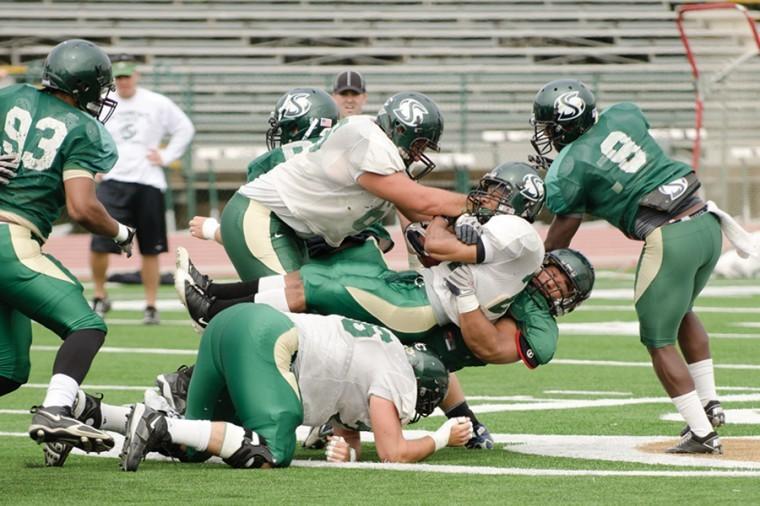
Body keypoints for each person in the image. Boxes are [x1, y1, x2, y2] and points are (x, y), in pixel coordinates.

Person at [532, 78, 758, 454]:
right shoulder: (623, 114)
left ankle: (701, 433)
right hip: (706, 222)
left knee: (657, 339)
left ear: (562, 125)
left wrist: (536, 261)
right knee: (683, 311)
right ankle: (710, 401)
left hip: (669, 238)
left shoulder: (570, 166)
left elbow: (560, 237)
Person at [117, 303, 472, 471]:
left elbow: (346, 428)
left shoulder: (385, 353)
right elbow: (393, 452)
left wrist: (346, 452)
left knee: (194, 447)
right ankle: (161, 422)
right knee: (272, 452)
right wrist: (442, 438)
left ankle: (95, 413)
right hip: (265, 338)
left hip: (234, 325)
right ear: (417, 387)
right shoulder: (397, 375)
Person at [0, 39, 136, 461]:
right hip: (9, 241)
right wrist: (120, 232)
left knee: (7, 369)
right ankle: (58, 411)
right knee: (87, 324)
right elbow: (82, 208)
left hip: (13, 246)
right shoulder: (85, 128)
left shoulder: (9, 97)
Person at [197, 91, 464, 282]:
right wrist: (475, 204)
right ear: (400, 130)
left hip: (302, 233)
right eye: (419, 145)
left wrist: (469, 224)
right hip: (276, 222)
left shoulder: (378, 149)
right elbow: (419, 203)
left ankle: (215, 304)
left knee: (308, 316)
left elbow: (418, 209)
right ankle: (215, 306)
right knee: (291, 308)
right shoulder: (367, 138)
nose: (419, 155)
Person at [190, 88, 394, 278]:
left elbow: (253, 232)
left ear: (298, 126)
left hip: (310, 254)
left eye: (288, 127)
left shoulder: (273, 161)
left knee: (280, 298)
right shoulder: (349, 151)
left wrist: (212, 230)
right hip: (364, 247)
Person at [89, 54, 195, 325]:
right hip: (112, 180)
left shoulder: (156, 102)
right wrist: (93, 164)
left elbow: (184, 128)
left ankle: (150, 304)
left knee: (151, 247)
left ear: (136, 75)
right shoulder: (103, 101)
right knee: (100, 242)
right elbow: (87, 130)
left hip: (148, 181)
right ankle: (100, 295)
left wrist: (168, 155)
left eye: (128, 76)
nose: (124, 82)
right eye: (119, 77)